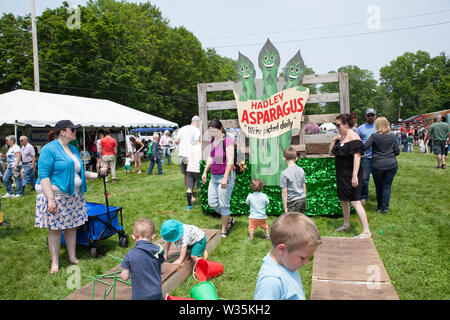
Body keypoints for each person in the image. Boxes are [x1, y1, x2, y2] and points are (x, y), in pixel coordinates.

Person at [34, 120, 108, 274]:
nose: (75, 132)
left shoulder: (73, 149)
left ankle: (72, 256)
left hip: (73, 196)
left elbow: (79, 173)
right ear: (62, 131)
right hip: (55, 195)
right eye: (72, 129)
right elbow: (44, 176)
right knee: (55, 229)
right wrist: (51, 199)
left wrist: (98, 175)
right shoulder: (49, 149)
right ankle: (55, 262)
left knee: (72, 226)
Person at [254, 212, 322, 300]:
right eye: (302, 258)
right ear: (281, 250)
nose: (307, 263)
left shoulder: (287, 264)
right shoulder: (271, 282)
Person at [329, 113, 372, 239]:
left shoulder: (354, 137)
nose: (337, 127)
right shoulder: (340, 137)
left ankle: (366, 231)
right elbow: (331, 153)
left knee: (355, 202)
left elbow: (357, 157)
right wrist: (333, 140)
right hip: (341, 175)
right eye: (336, 125)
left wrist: (354, 176)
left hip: (351, 174)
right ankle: (346, 224)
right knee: (343, 200)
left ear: (346, 124)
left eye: (339, 125)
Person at [201, 119, 236, 238]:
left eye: (214, 131)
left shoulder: (228, 140)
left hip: (224, 176)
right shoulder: (213, 140)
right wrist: (205, 171)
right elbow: (211, 157)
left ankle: (224, 230)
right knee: (212, 203)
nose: (212, 133)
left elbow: (230, 160)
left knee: (224, 204)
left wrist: (225, 178)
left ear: (220, 129)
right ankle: (229, 219)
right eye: (210, 131)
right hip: (214, 177)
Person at [120, 218, 166, 300]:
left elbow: (124, 277)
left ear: (133, 237)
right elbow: (162, 271)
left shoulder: (130, 255)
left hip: (140, 295)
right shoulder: (159, 251)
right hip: (156, 293)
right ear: (153, 236)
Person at [363, 117, 400, 214]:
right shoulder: (393, 137)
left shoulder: (374, 136)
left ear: (377, 125)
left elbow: (364, 147)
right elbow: (397, 151)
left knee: (379, 186)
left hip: (378, 164)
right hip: (391, 164)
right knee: (387, 186)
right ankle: (384, 208)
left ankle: (380, 206)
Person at [356, 108, 377, 206]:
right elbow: (356, 141)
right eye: (369, 115)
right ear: (365, 116)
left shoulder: (378, 127)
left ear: (375, 116)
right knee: (365, 178)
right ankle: (363, 196)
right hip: (365, 157)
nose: (370, 117)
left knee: (379, 178)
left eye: (372, 115)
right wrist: (360, 153)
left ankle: (379, 195)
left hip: (377, 156)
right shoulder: (360, 128)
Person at [280, 146, 307, 214]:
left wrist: (285, 207)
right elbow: (304, 185)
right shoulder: (301, 170)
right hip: (302, 199)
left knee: (292, 222)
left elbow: (284, 191)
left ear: (284, 158)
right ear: (296, 158)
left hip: (292, 202)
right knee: (301, 220)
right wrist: (304, 197)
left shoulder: (284, 173)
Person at [175, 116, 201, 187]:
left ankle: (189, 191)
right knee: (193, 174)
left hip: (181, 155)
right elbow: (197, 143)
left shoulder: (182, 128)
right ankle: (193, 194)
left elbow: (176, 141)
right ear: (197, 122)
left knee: (186, 174)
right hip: (190, 155)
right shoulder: (196, 130)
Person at [186, 139, 202, 210]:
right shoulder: (202, 147)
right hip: (198, 169)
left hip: (189, 168)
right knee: (200, 187)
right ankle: (204, 203)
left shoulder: (191, 147)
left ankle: (189, 205)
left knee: (189, 187)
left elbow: (187, 158)